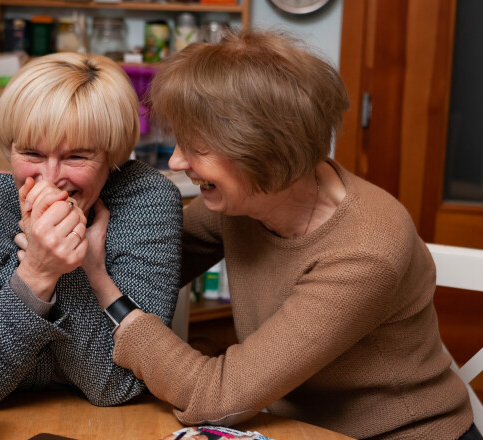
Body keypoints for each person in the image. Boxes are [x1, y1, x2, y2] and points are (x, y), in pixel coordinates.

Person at [78, 30, 480, 440]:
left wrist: (108, 294)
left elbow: (215, 396)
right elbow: (145, 256)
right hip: (294, 427)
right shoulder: (250, 197)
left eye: (198, 147)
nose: (179, 161)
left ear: (263, 149)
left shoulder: (367, 249)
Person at [0, 52, 183, 411]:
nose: (50, 177)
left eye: (76, 156)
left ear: (111, 156)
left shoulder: (147, 199)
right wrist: (38, 272)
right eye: (32, 153)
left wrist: (81, 268)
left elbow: (115, 386)